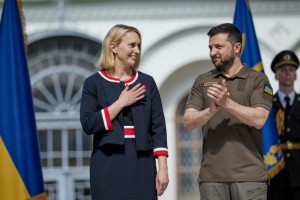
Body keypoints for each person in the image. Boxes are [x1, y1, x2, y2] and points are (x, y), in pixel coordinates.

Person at [183, 23, 273, 200]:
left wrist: (226, 103)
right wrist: (211, 110)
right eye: (210, 47)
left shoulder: (258, 79)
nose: (212, 52)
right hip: (211, 180)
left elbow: (260, 119)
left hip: (250, 179)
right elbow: (188, 121)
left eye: (218, 47)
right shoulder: (203, 80)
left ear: (237, 47)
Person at [80, 24, 169, 200]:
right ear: (113, 47)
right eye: (132, 45)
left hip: (142, 165)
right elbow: (89, 124)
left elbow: (158, 128)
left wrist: (163, 169)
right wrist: (121, 103)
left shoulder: (147, 82)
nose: (136, 50)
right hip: (107, 165)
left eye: (138, 46)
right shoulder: (93, 83)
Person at [267, 50, 300, 200]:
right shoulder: (267, 105)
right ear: (276, 74)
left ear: (296, 75)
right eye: (283, 70)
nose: (287, 73)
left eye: (291, 70)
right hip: (275, 173)